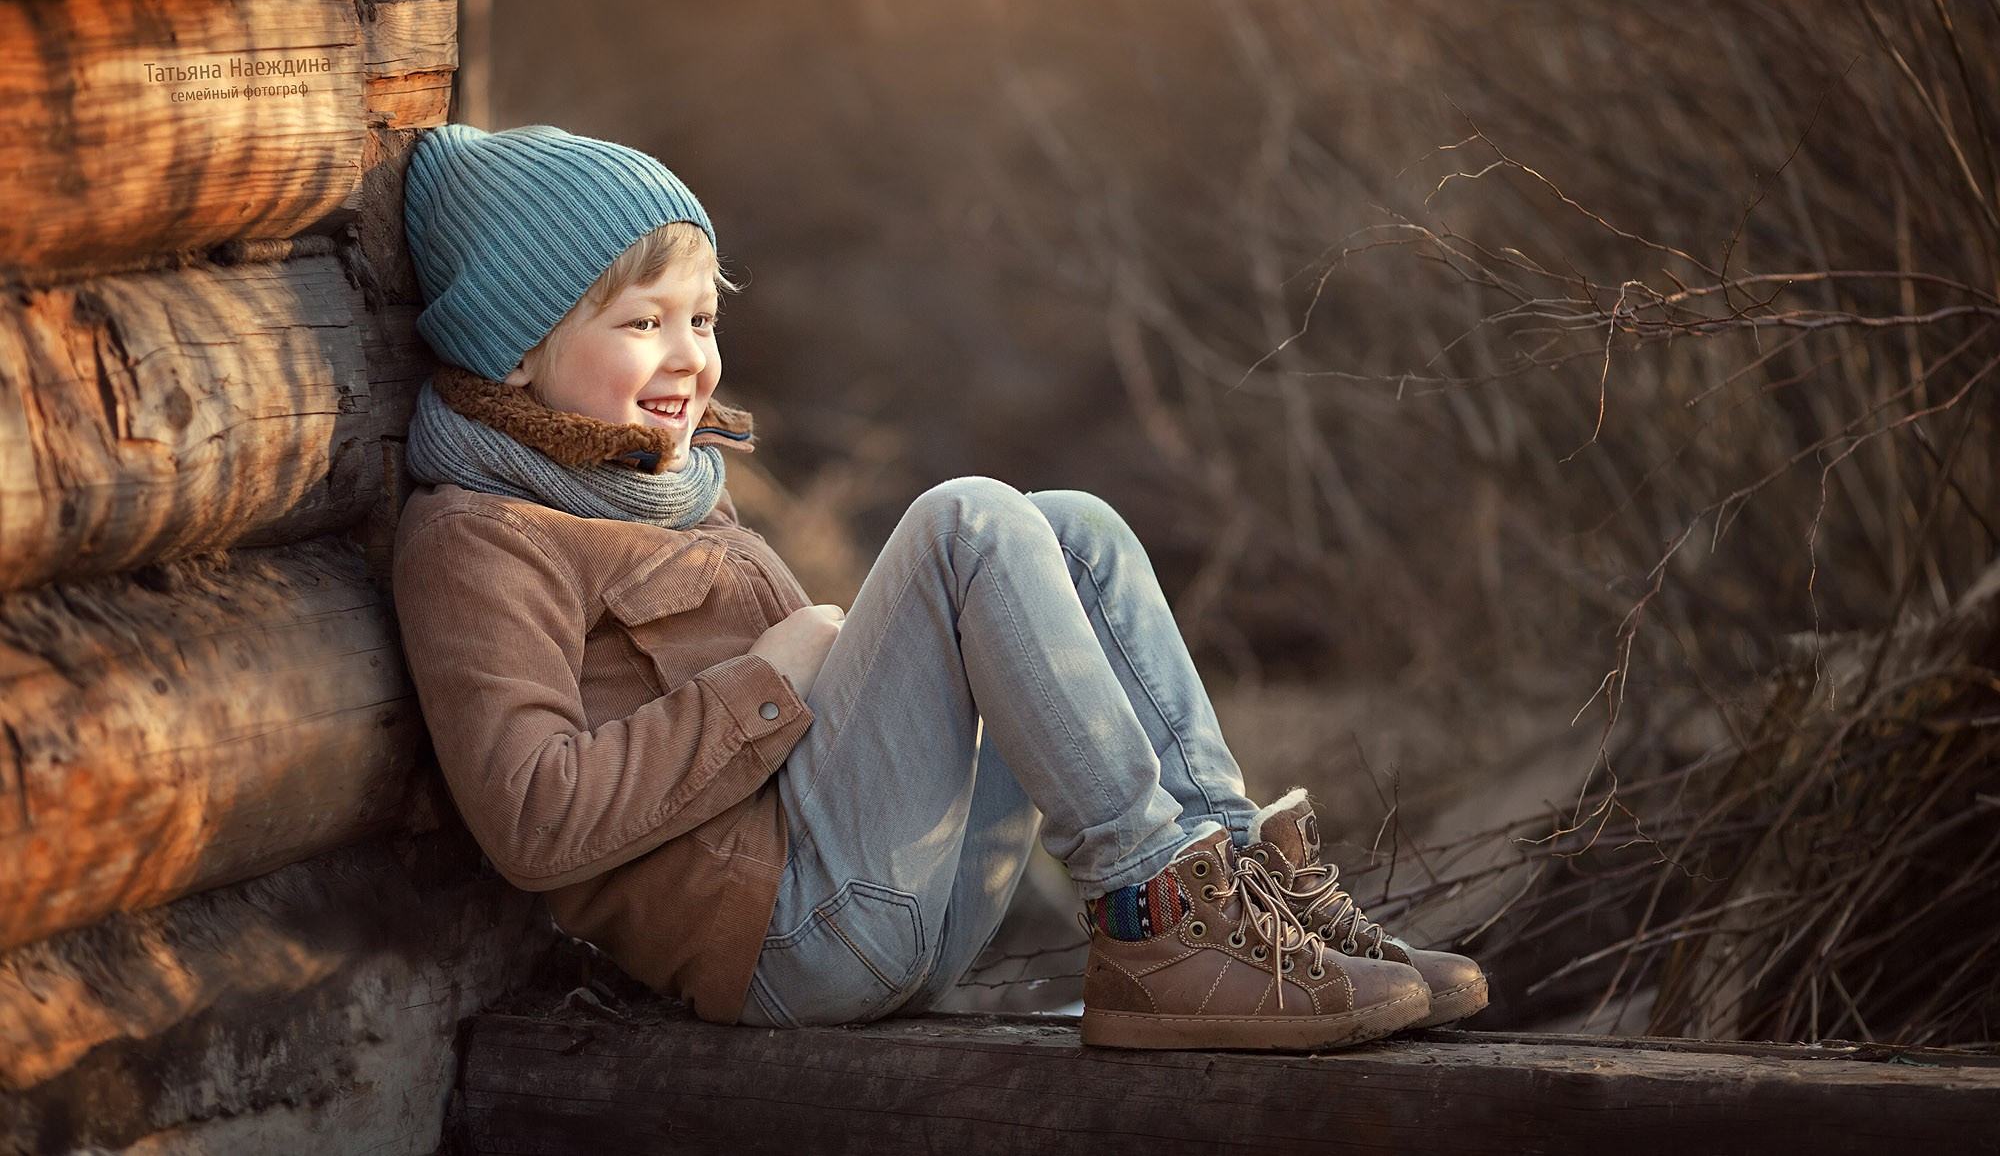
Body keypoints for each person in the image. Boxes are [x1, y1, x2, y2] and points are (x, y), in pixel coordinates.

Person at [390, 123, 1487, 1050]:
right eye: (641, 324)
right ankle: (1153, 911)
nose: (688, 356)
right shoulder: (480, 538)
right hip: (788, 937)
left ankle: (1233, 892)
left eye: (701, 319)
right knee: (964, 518)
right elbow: (529, 818)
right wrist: (761, 684)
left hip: (900, 903)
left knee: (1069, 525)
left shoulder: (656, 489)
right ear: (515, 352)